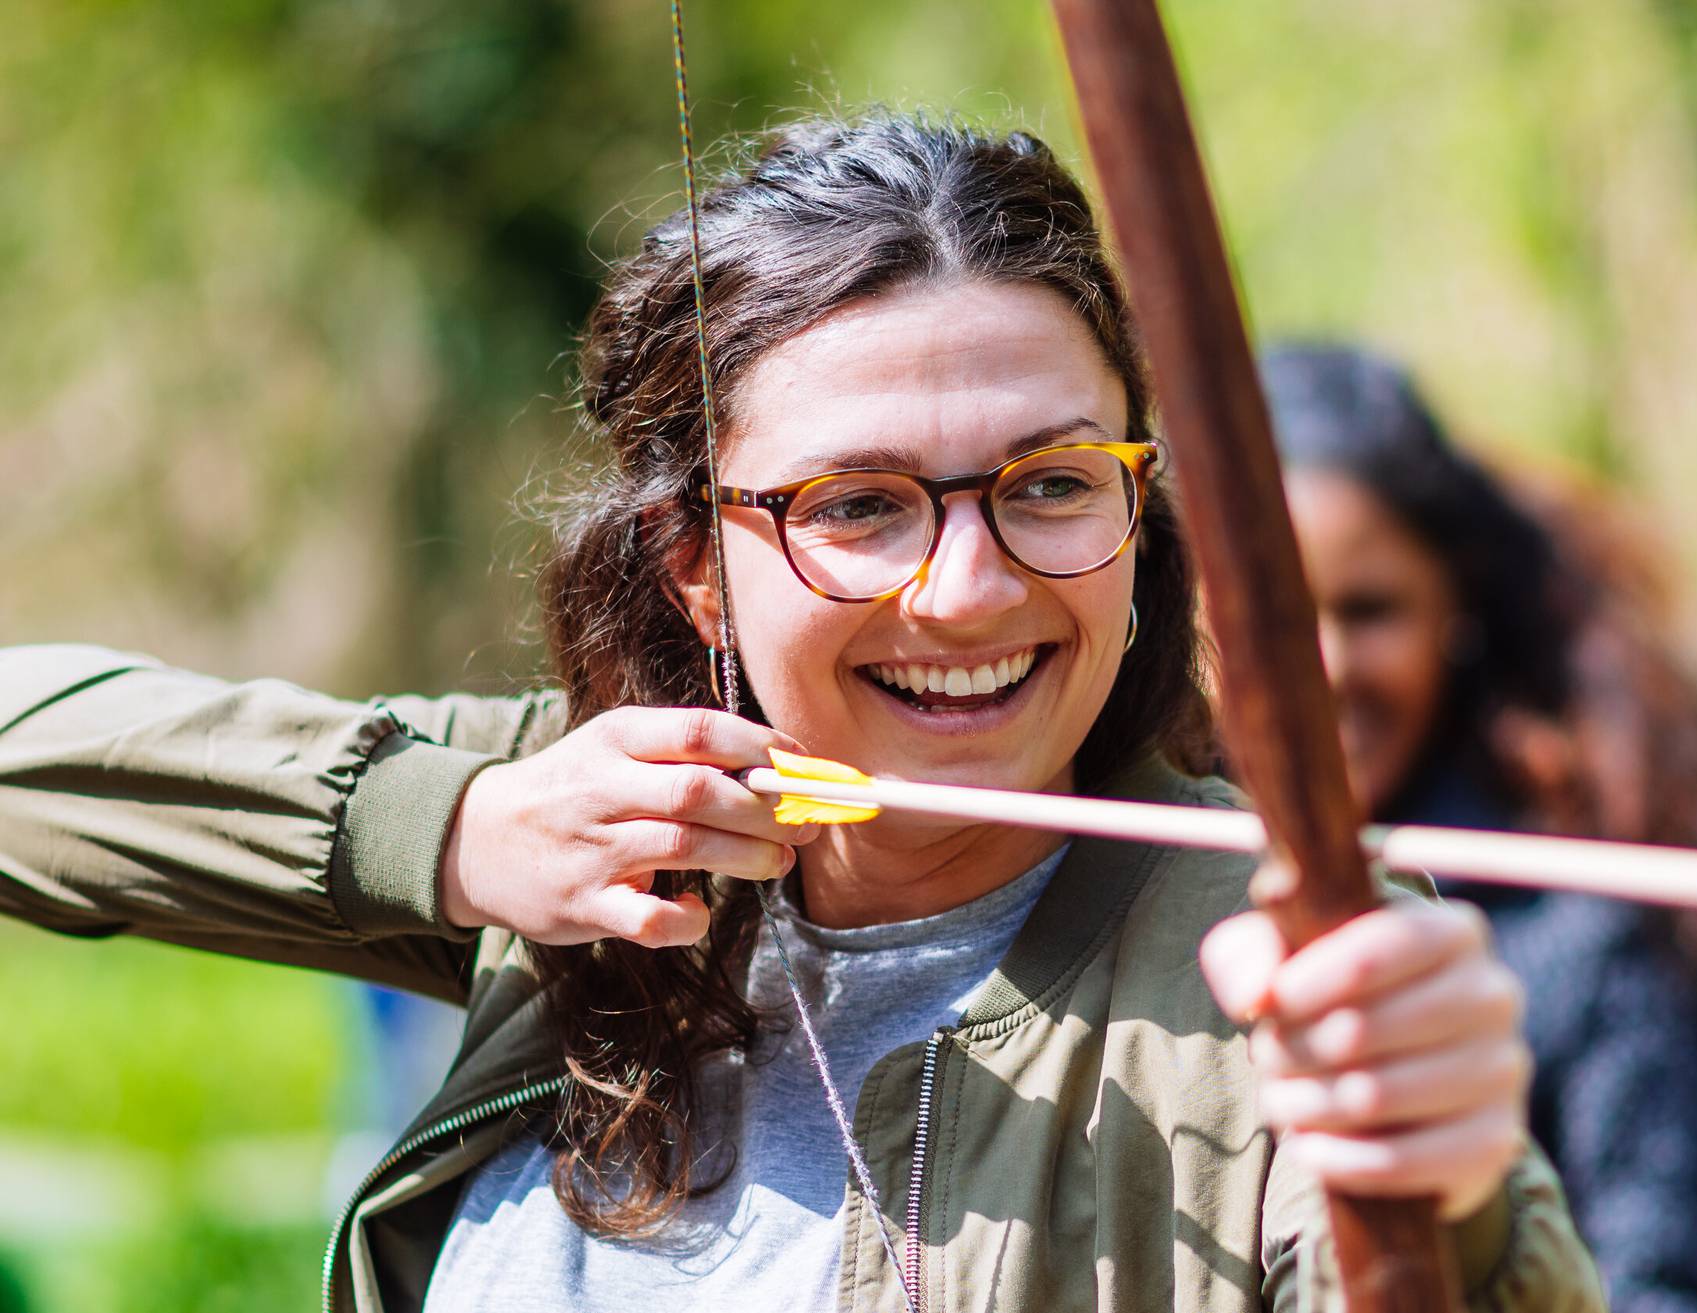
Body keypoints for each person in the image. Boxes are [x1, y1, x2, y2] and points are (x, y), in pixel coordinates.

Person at [0, 115, 1603, 1312]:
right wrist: (456, 830)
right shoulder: (590, 832)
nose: (969, 590)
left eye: (1051, 484)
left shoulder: (1279, 962)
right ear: (698, 567)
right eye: (860, 504)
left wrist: (1452, 1186)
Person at [1264, 344, 1697, 1313]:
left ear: (1451, 607)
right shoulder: (1144, 874)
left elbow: (1677, 1282)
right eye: (1277, 618)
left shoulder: (1609, 921)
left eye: (1370, 610)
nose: (1327, 667)